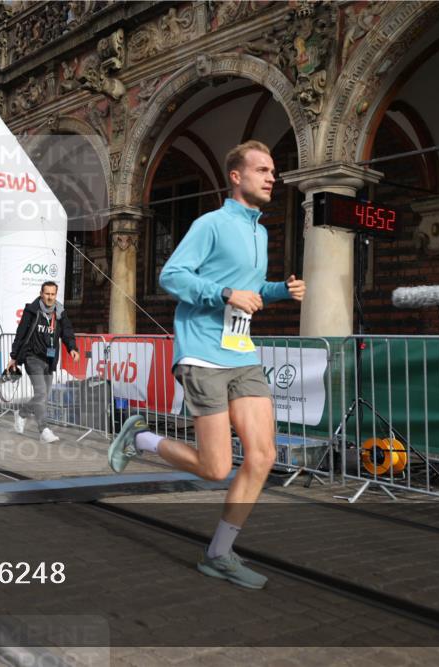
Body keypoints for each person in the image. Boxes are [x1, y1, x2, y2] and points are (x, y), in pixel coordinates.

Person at [107, 140, 306, 590]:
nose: (272, 177)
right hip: (202, 352)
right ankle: (142, 438)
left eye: (273, 170)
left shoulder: (261, 231)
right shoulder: (211, 224)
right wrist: (223, 294)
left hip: (242, 352)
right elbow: (171, 275)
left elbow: (248, 288)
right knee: (217, 468)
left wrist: (279, 290)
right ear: (236, 176)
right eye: (262, 170)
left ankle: (219, 552)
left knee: (263, 455)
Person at [7, 281, 80, 443]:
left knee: (43, 395)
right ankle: (44, 430)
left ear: (56, 294)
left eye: (53, 294)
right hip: (32, 357)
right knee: (41, 393)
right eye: (47, 294)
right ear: (41, 294)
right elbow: (21, 333)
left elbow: (67, 331)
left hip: (50, 359)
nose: (50, 297)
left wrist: (72, 348)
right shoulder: (32, 311)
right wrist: (14, 356)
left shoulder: (60, 312)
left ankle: (21, 413)